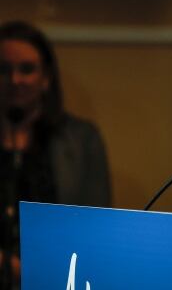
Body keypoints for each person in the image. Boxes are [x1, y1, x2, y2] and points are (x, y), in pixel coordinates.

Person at [0, 21, 112, 290]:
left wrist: (33, 269)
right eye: (4, 70)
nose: (15, 80)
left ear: (46, 78)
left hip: (59, 278)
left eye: (26, 69)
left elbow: (97, 225)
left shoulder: (81, 139)